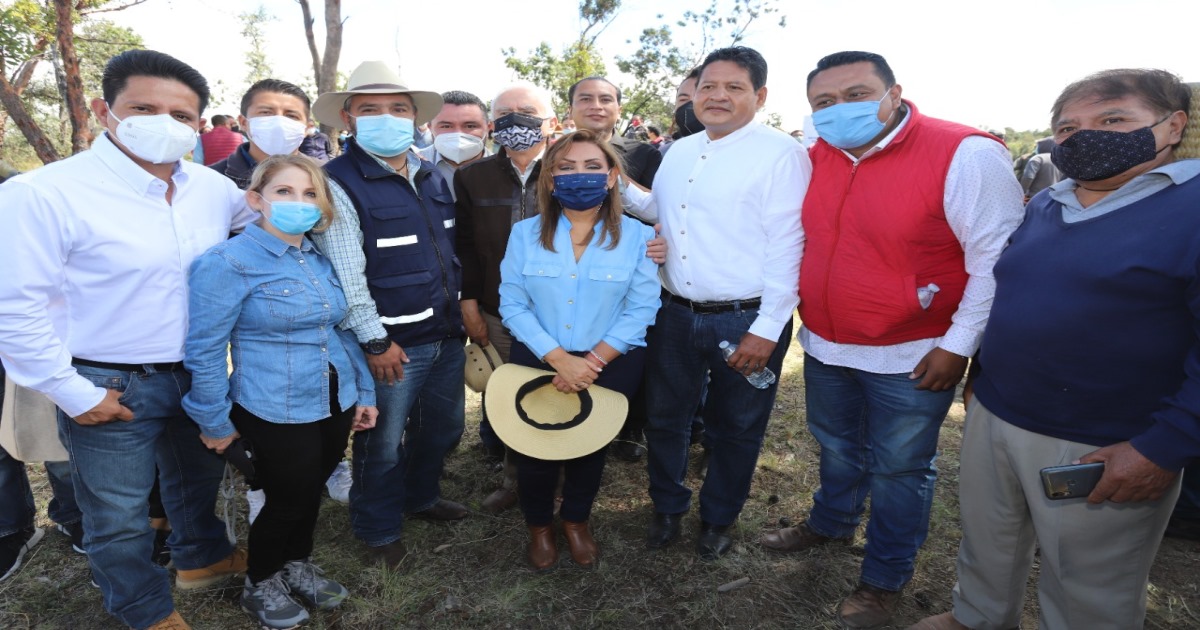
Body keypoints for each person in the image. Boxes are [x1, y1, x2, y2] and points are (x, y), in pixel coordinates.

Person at [909, 68, 1198, 630]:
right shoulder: (1047, 204)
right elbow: (1016, 294)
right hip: (999, 411)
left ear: (1173, 126)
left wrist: (1163, 447)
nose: (1085, 136)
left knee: (1088, 579)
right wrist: (984, 372)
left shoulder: (1190, 209)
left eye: (1113, 119)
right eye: (1068, 128)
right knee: (988, 540)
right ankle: (977, 617)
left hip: (1104, 439)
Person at [757, 51, 1023, 629]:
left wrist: (958, 344)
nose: (839, 110)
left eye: (856, 94)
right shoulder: (814, 156)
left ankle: (883, 578)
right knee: (836, 446)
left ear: (894, 92)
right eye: (824, 102)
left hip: (914, 351)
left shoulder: (965, 153)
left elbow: (994, 263)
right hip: (828, 342)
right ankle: (830, 522)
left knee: (900, 468)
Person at [0, 49, 255, 630]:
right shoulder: (45, 194)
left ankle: (204, 560)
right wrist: (75, 394)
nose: (163, 123)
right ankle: (143, 609)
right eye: (143, 107)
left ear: (198, 124)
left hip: (194, 373)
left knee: (196, 483)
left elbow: (275, 215)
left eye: (181, 115)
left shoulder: (211, 191)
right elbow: (13, 309)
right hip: (105, 381)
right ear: (103, 109)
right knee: (117, 513)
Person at [622, 46, 809, 562]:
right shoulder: (681, 150)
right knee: (665, 417)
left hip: (746, 317)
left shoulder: (781, 154)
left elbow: (790, 245)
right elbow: (659, 211)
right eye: (708, 86)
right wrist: (601, 173)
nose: (718, 96)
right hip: (674, 312)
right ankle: (666, 506)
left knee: (737, 425)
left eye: (734, 87)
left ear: (760, 96)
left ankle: (719, 517)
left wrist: (768, 327)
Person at [183, 155, 377, 629]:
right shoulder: (227, 262)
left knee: (311, 490)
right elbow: (205, 350)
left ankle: (296, 564)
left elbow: (341, 331)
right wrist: (213, 421)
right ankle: (262, 579)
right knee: (287, 498)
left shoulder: (316, 256)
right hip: (273, 405)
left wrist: (363, 392)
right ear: (256, 200)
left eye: (311, 194)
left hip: (333, 399)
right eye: (285, 192)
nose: (299, 202)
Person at [310, 61, 468, 569]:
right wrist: (375, 342)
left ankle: (420, 498)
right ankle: (377, 529)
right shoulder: (335, 181)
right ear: (349, 119)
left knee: (440, 429)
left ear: (415, 118)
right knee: (381, 444)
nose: (386, 117)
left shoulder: (429, 172)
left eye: (398, 108)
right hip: (391, 345)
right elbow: (346, 272)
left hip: (444, 334)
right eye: (370, 109)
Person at [498, 130, 660, 571]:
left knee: (590, 446)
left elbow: (642, 307)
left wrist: (590, 362)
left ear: (611, 178)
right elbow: (512, 303)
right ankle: (539, 527)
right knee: (534, 449)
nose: (578, 175)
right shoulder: (524, 234)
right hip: (539, 358)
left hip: (611, 360)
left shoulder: (638, 237)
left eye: (591, 166)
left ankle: (575, 521)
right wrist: (560, 359)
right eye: (565, 167)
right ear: (550, 180)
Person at [454, 83, 561, 512]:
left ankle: (562, 484)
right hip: (498, 313)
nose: (516, 118)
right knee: (510, 395)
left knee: (558, 394)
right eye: (506, 112)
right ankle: (515, 480)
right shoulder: (472, 177)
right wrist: (470, 304)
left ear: (551, 121)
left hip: (563, 311)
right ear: (493, 123)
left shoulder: (570, 169)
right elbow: (464, 245)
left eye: (527, 110)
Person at [211, 78, 311, 189]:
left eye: (291, 116)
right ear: (244, 123)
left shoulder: (326, 175)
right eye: (266, 113)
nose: (279, 124)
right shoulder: (212, 179)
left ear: (306, 128)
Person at [568, 77, 662, 189]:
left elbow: (658, 202)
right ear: (570, 111)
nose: (596, 106)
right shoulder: (555, 155)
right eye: (585, 99)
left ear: (619, 111)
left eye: (605, 100)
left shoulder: (646, 154)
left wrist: (616, 179)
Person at [416, 90, 491, 193]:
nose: (458, 134)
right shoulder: (411, 166)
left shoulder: (508, 170)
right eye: (446, 126)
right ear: (430, 128)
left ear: (488, 127)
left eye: (470, 126)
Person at [1018, 136, 1061, 201]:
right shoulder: (1060, 159)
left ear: (1043, 146)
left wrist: (1021, 193)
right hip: (1055, 198)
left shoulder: (1037, 158)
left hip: (1036, 198)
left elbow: (1028, 177)